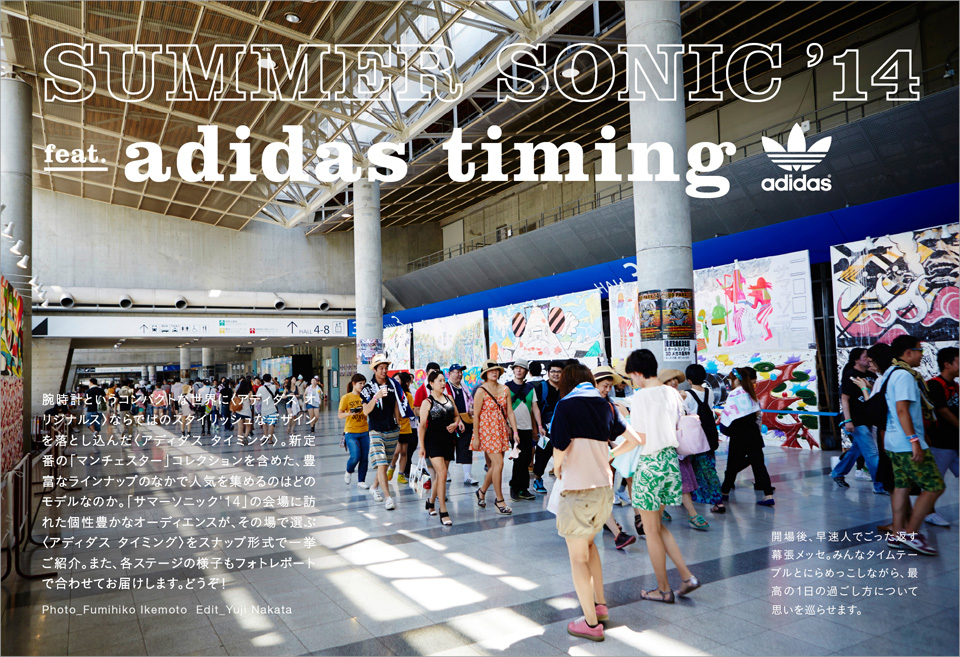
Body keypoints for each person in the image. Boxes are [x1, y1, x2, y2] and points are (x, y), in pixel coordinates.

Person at [551, 363, 642, 641]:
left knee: (577, 558)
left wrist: (557, 467)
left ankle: (591, 625)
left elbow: (560, 446)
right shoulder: (607, 406)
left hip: (577, 490)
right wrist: (610, 455)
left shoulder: (565, 405)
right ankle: (600, 606)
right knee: (590, 547)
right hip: (603, 489)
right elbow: (634, 440)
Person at [611, 349, 700, 603]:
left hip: (650, 464)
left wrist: (611, 453)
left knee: (650, 531)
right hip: (670, 462)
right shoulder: (672, 392)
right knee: (657, 527)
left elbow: (639, 438)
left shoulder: (641, 397)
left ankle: (663, 590)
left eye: (631, 376)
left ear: (638, 373)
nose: (632, 381)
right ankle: (686, 577)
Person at [870, 337, 944, 555]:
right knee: (935, 486)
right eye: (919, 350)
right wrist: (914, 441)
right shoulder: (904, 376)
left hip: (893, 442)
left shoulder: (891, 373)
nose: (922, 354)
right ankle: (910, 533)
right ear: (908, 352)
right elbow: (902, 410)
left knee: (901, 487)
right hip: (906, 444)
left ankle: (897, 533)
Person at [593, 366, 637, 550]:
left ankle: (614, 529)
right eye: (604, 385)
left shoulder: (609, 405)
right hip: (589, 456)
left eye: (609, 386)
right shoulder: (583, 404)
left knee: (601, 493)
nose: (607, 389)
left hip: (602, 455)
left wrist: (613, 451)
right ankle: (615, 530)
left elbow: (615, 433)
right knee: (597, 494)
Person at [830, 348, 886, 494]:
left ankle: (837, 472)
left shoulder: (871, 375)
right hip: (856, 421)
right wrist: (848, 420)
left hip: (868, 420)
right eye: (865, 356)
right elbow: (844, 398)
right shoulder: (851, 375)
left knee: (856, 450)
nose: (869, 359)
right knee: (872, 453)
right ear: (856, 360)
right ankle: (880, 485)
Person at [718, 367, 774, 506]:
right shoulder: (750, 393)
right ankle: (768, 495)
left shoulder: (734, 394)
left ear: (737, 380)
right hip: (753, 433)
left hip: (738, 435)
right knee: (759, 465)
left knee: (732, 464)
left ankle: (724, 492)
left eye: (731, 379)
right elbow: (757, 415)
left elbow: (728, 416)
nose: (731, 382)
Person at [659, 369, 707, 530]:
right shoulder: (662, 400)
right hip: (669, 446)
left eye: (675, 379)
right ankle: (692, 515)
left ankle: (661, 510)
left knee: (676, 480)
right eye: (669, 380)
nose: (673, 382)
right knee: (679, 480)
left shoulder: (680, 397)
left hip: (680, 447)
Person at [473, 360, 521, 515]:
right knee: (499, 464)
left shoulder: (505, 389)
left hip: (501, 430)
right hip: (487, 431)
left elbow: (510, 411)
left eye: (496, 370)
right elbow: (476, 415)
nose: (494, 372)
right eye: (491, 370)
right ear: (485, 373)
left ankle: (481, 491)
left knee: (495, 466)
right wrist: (476, 437)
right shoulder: (481, 391)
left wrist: (515, 431)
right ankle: (499, 500)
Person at [418, 370, 464, 526]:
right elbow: (422, 426)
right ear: (431, 383)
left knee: (440, 476)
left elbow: (457, 415)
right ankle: (443, 510)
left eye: (444, 380)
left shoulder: (449, 398)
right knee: (442, 473)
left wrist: (455, 424)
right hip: (433, 441)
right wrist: (422, 446)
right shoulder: (427, 402)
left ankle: (430, 502)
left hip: (448, 441)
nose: (443, 383)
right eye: (439, 381)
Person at [360, 355, 404, 511]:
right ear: (374, 369)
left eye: (386, 368)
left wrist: (398, 423)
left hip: (392, 429)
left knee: (383, 467)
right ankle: (388, 498)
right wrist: (375, 397)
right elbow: (366, 411)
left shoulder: (392, 384)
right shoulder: (367, 388)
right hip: (376, 429)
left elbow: (396, 404)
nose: (384, 371)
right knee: (382, 463)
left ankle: (374, 487)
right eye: (381, 368)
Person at [684, 364, 725, 515]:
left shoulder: (687, 395)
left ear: (689, 380)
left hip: (695, 438)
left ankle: (694, 499)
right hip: (709, 436)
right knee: (709, 468)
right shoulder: (709, 392)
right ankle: (716, 501)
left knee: (692, 469)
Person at [925, 346, 958, 527]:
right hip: (940, 443)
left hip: (955, 442)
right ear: (947, 364)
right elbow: (943, 411)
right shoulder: (935, 385)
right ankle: (928, 512)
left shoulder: (955, 385)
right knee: (934, 482)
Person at [506, 359, 543, 502]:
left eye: (522, 368)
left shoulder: (530, 388)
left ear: (527, 372)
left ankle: (523, 488)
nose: (518, 370)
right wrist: (507, 426)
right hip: (514, 429)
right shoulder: (507, 387)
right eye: (516, 368)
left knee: (527, 459)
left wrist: (539, 427)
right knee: (519, 458)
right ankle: (515, 487)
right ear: (513, 370)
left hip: (527, 428)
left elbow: (535, 409)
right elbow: (503, 409)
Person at [532, 360, 565, 495]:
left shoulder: (566, 388)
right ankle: (538, 479)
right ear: (548, 373)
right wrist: (537, 428)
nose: (556, 374)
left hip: (562, 428)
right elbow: (535, 409)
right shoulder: (541, 388)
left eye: (559, 372)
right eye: (553, 371)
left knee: (564, 455)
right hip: (545, 430)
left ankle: (564, 481)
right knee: (542, 455)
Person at [448, 364, 478, 485]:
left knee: (466, 446)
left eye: (461, 372)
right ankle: (445, 472)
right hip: (450, 420)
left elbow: (470, 400)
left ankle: (467, 475)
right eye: (457, 372)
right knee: (448, 447)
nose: (460, 374)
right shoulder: (446, 387)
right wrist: (457, 420)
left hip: (465, 419)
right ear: (450, 373)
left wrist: (471, 408)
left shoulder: (464, 386)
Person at [339, 373, 371, 490]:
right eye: (360, 383)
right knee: (355, 456)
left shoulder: (365, 397)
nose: (362, 386)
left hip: (364, 431)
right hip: (351, 432)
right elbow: (340, 414)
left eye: (364, 384)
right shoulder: (346, 398)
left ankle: (361, 481)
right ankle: (349, 471)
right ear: (353, 384)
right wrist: (349, 413)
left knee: (364, 458)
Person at [392, 371, 417, 485]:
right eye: (395, 379)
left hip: (406, 427)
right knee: (396, 451)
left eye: (398, 379)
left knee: (404, 452)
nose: (396, 381)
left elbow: (411, 411)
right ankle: (392, 467)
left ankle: (401, 474)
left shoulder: (408, 396)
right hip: (395, 427)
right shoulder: (392, 394)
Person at [257, 374, 279, 444]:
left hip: (264, 409)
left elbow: (258, 398)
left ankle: (265, 436)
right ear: (270, 379)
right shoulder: (273, 387)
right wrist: (274, 380)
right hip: (272, 409)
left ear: (263, 380)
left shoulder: (260, 388)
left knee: (264, 424)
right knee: (271, 424)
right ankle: (270, 440)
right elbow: (278, 386)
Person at [234, 377, 254, 444]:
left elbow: (234, 400)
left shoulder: (237, 393)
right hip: (247, 411)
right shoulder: (249, 392)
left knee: (240, 427)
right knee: (248, 425)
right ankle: (245, 436)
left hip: (239, 411)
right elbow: (252, 402)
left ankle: (241, 440)